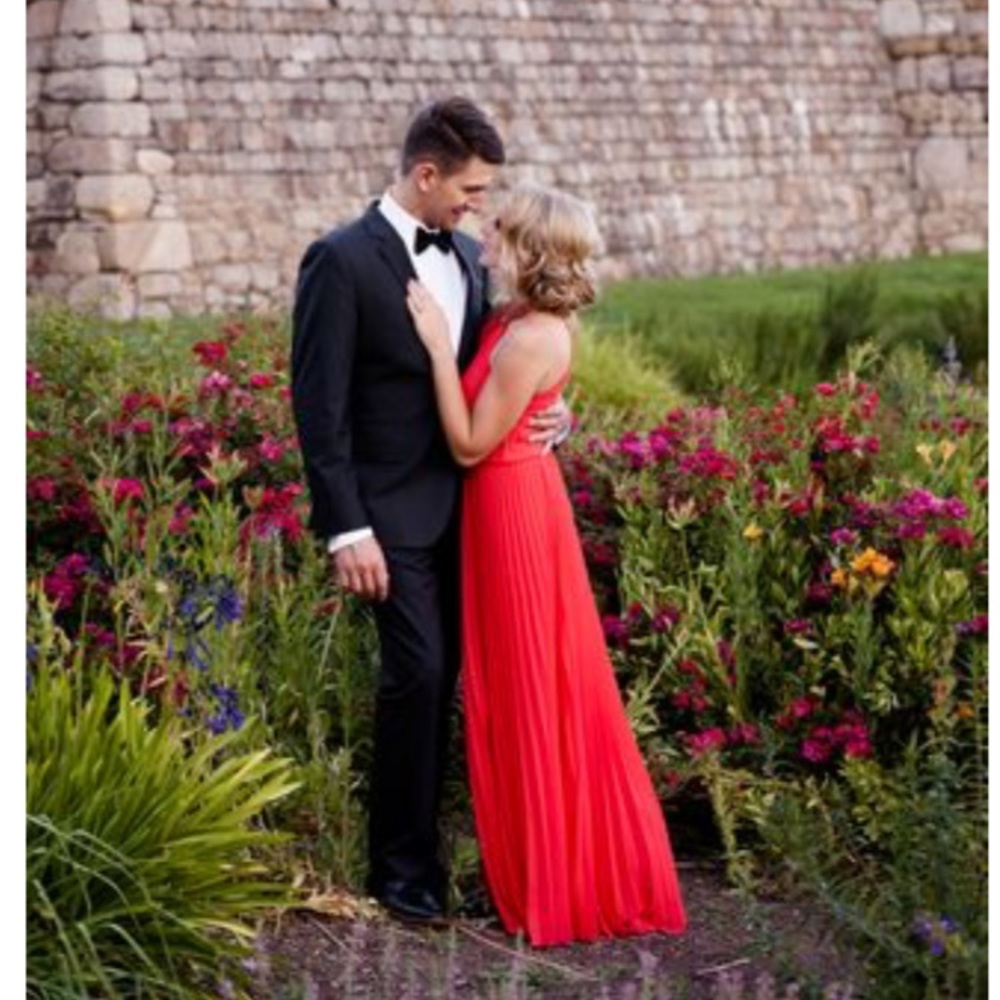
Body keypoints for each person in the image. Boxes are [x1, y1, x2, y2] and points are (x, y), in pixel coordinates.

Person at [290, 98, 569, 926]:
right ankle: (401, 871)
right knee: (418, 674)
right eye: (470, 189)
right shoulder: (339, 261)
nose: (477, 204)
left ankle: (491, 855)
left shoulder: (464, 257)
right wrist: (347, 527)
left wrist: (556, 415)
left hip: (478, 513)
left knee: (477, 680)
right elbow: (319, 406)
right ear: (426, 174)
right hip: (388, 523)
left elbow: (501, 366)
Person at [405, 183, 687, 946]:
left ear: (530, 249)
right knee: (521, 681)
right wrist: (557, 416)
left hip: (514, 515)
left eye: (499, 230)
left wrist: (435, 348)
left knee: (535, 686)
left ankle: (561, 878)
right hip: (507, 501)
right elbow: (527, 404)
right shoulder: (516, 318)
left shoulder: (533, 334)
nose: (484, 236)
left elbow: (470, 444)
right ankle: (543, 861)